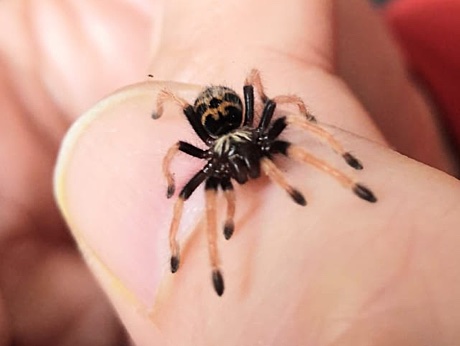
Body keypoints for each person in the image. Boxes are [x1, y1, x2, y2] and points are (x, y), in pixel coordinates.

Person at [1, 0, 459, 345]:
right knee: (189, 200)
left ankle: (347, 177)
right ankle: (213, 262)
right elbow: (175, 173)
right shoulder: (202, 149)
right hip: (224, 131)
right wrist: (173, 219)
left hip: (245, 127)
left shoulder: (261, 128)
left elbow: (290, 110)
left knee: (295, 128)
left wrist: (333, 144)